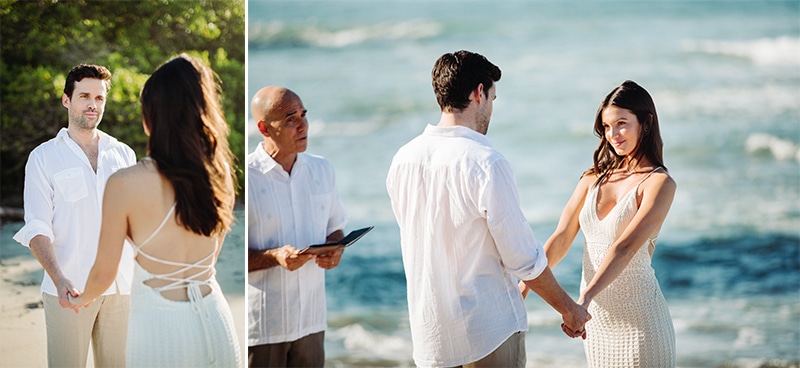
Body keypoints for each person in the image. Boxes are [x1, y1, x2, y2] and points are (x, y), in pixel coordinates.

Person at [386, 50, 591, 368]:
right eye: (492, 97)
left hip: (431, 338)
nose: (491, 108)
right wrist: (570, 310)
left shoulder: (403, 159)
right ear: (478, 93)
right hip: (487, 333)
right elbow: (522, 257)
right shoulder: (485, 162)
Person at [67, 53, 242, 367]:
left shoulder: (125, 183)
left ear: (152, 117)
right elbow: (210, 257)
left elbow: (104, 273)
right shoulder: (221, 174)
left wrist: (83, 298)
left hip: (161, 331)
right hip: (217, 321)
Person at [536, 80, 676, 366]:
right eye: (607, 127)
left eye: (622, 123)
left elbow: (625, 247)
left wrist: (584, 299)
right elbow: (562, 237)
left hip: (642, 325)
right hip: (597, 324)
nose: (613, 135)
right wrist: (524, 287)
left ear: (645, 123)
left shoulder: (659, 183)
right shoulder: (592, 178)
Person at [12, 63, 136, 367]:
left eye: (99, 98)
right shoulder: (43, 158)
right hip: (68, 287)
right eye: (84, 96)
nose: (92, 105)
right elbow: (37, 227)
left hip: (121, 287)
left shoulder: (123, 154)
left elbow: (135, 223)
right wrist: (59, 278)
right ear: (67, 100)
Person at [247, 86, 348, 367]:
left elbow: (335, 229)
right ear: (264, 128)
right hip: (262, 328)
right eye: (290, 119)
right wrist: (274, 257)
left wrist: (336, 249)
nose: (303, 125)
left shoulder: (322, 169)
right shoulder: (245, 176)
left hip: (312, 323)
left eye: (303, 115)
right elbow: (226, 255)